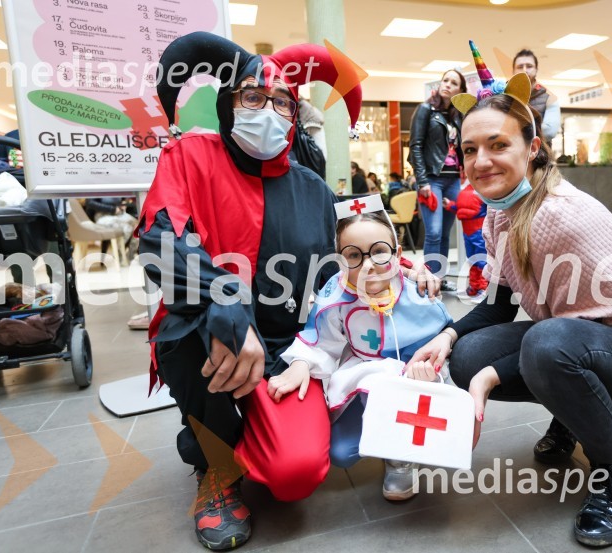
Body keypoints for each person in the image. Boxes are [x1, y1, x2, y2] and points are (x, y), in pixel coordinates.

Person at [409, 44, 612, 547]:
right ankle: (572, 414)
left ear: (532, 148)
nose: (480, 161)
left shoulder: (562, 217)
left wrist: (491, 380)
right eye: (470, 150)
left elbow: (577, 332)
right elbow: (497, 305)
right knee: (470, 354)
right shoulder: (501, 211)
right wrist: (446, 337)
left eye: (497, 145)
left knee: (546, 346)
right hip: (582, 336)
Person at [137, 32, 365, 551]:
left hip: (286, 347)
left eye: (281, 100)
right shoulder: (189, 156)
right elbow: (159, 240)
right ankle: (216, 464)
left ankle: (262, 430)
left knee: (296, 474)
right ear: (228, 103)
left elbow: (337, 270)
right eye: (252, 96)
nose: (268, 109)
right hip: (206, 330)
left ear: (294, 111)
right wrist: (225, 298)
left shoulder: (312, 188)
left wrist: (392, 266)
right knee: (186, 331)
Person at [270, 196, 452, 501]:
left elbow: (444, 333)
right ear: (340, 261)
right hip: (364, 372)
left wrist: (429, 370)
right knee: (342, 453)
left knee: (392, 393)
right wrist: (301, 363)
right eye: (353, 255)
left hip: (415, 379)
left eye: (380, 252)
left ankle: (399, 457)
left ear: (397, 253)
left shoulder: (417, 289)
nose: (368, 265)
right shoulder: (336, 295)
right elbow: (321, 341)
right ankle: (386, 440)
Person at [408, 67, 467, 291]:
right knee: (433, 233)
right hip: (431, 179)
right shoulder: (425, 109)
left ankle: (439, 279)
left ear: (460, 90)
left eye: (453, 82)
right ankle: (429, 280)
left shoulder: (458, 116)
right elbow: (415, 145)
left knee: (444, 233)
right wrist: (421, 180)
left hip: (453, 181)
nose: (447, 85)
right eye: (445, 80)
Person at [444, 183, 488, 301]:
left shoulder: (483, 189)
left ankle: (483, 289)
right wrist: (450, 205)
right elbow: (460, 208)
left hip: (478, 230)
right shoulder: (467, 190)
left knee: (481, 261)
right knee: (473, 260)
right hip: (469, 232)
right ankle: (475, 286)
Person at [513, 48, 560, 146]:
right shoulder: (503, 94)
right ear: (514, 70)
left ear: (536, 70)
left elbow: (549, 131)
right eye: (520, 66)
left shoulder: (549, 98)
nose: (525, 70)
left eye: (529, 66)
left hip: (539, 157)